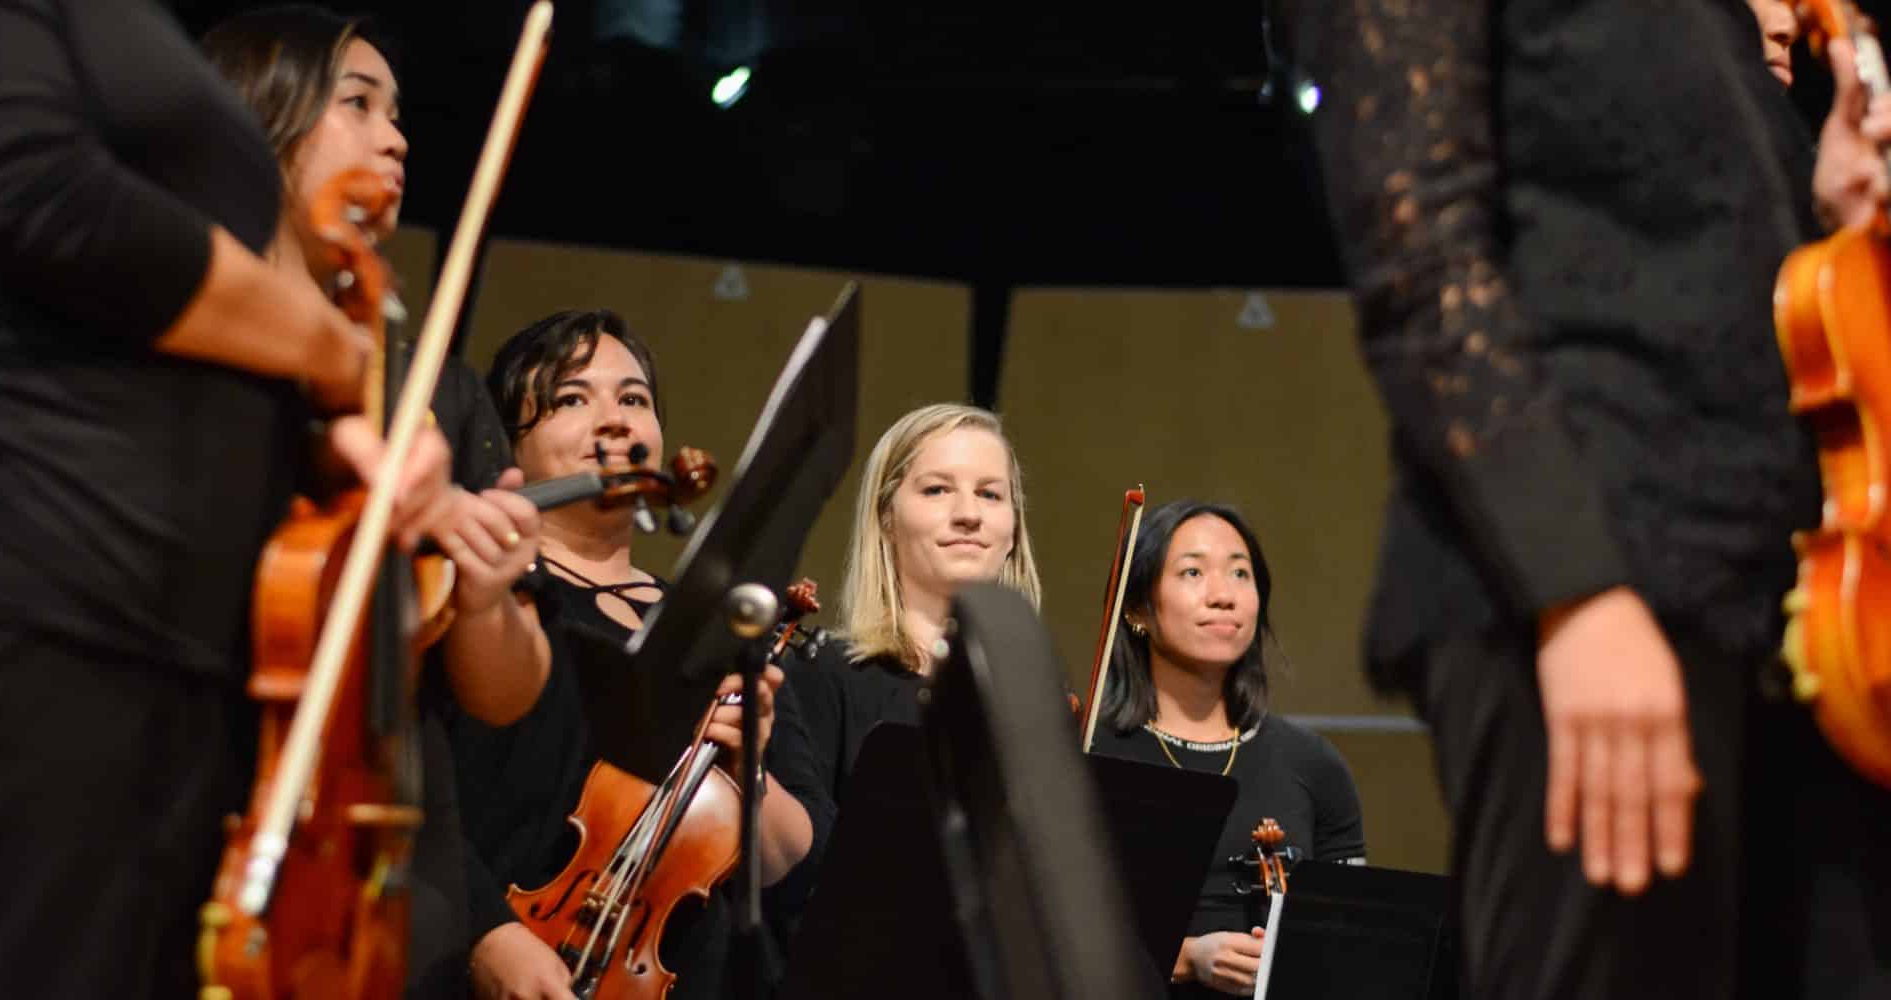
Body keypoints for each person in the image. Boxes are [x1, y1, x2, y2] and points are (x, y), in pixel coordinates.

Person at [1279, 0, 1891, 996]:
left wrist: (1824, 184)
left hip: (1787, 614)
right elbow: (1420, 262)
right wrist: (1576, 590)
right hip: (1588, 587)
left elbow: (1699, 245)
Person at [0, 2, 457, 997]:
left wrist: (335, 441)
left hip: (171, 654)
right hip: (33, 596)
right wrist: (333, 354)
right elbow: (55, 207)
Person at [199, 8, 552, 996]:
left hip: (389, 854)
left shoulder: (432, 389)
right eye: (357, 104)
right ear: (259, 116)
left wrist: (481, 589)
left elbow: (503, 690)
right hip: (195, 808)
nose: (396, 137)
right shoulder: (189, 353)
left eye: (399, 113)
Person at [453, 309, 784, 1000]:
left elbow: (791, 856)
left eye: (634, 399)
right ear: (506, 450)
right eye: (572, 399)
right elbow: (410, 782)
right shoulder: (480, 596)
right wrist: (483, 931)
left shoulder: (717, 621)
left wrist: (749, 768)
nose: (616, 421)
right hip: (489, 959)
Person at [760, 403, 1044, 967]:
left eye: (990, 494)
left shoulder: (1031, 705)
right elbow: (793, 885)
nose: (969, 515)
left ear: (1012, 531)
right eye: (938, 490)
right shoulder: (823, 673)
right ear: (887, 518)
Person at [1090, 499, 1364, 997]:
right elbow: (1049, 929)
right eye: (1192, 572)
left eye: (1241, 575)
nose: (1223, 596)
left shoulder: (1314, 765)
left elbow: (1350, 941)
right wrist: (1187, 957)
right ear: (1136, 610)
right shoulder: (1091, 751)